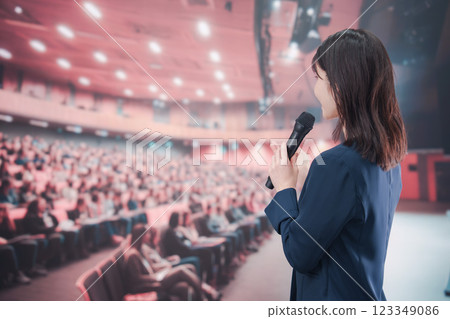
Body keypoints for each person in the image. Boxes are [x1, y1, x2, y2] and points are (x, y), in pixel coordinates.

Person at [265, 29, 406, 301]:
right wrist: (314, 183)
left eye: (319, 78)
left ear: (342, 84)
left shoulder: (336, 165)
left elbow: (300, 254)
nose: (316, 88)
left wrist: (285, 188)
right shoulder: (390, 160)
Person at [124, 224, 221, 300]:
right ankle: (205, 294)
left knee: (184, 285)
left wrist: (165, 268)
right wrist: (155, 278)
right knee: (181, 271)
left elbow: (152, 267)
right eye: (146, 234)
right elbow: (137, 279)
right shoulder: (133, 255)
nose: (149, 236)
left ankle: (204, 296)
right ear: (141, 236)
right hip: (149, 284)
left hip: (157, 277)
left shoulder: (142, 250)